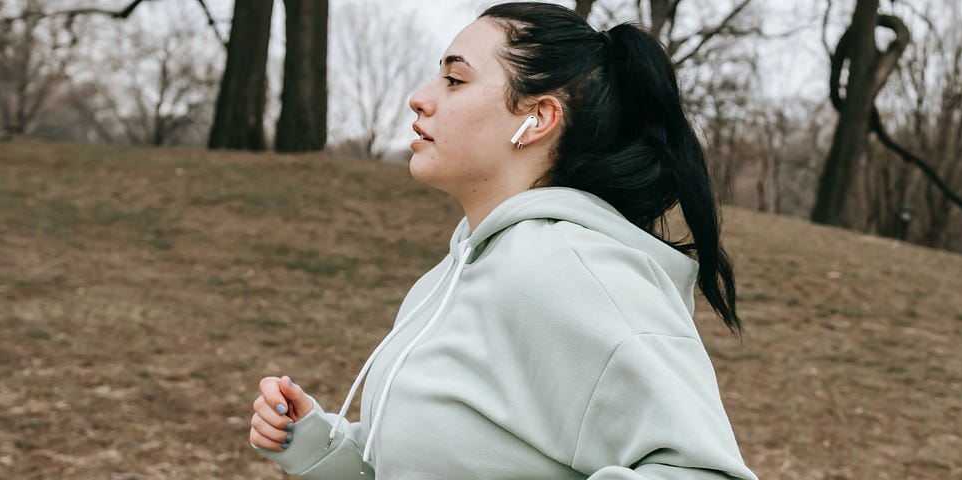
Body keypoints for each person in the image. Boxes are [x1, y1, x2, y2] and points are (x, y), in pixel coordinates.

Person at [243, 3, 756, 478]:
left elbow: (700, 469)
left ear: (538, 119)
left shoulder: (572, 270)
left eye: (454, 79)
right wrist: (317, 444)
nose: (420, 98)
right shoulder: (449, 276)